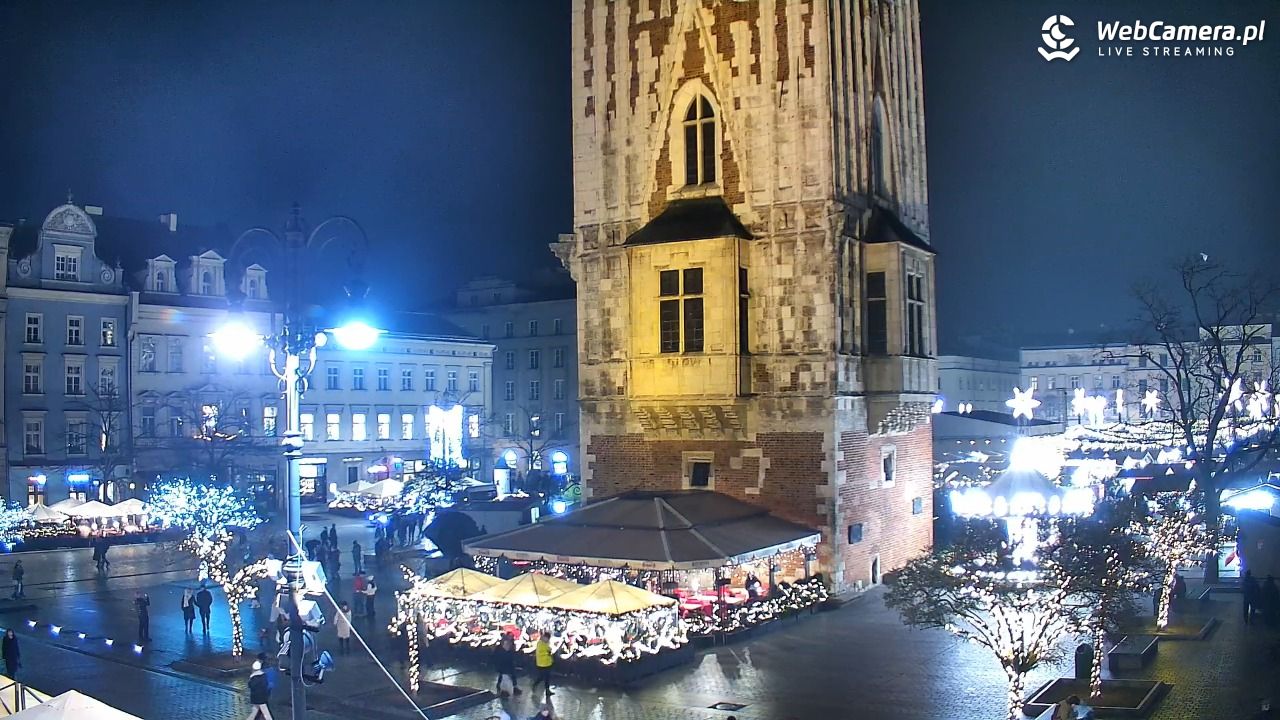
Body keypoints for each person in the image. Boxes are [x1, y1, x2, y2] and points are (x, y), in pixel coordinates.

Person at [495, 633, 522, 697]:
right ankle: (503, 690)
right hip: (504, 664)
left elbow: (512, 653)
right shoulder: (503, 647)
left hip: (509, 663)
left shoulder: (511, 644)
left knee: (508, 675)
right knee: (504, 676)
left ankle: (509, 688)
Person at [531, 632, 554, 700]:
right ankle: (535, 685)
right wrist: (548, 652)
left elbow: (549, 650)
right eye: (546, 638)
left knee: (547, 677)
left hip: (548, 663)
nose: (547, 639)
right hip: (541, 664)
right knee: (541, 677)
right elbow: (546, 651)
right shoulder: (540, 643)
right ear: (544, 637)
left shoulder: (546, 643)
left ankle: (547, 690)